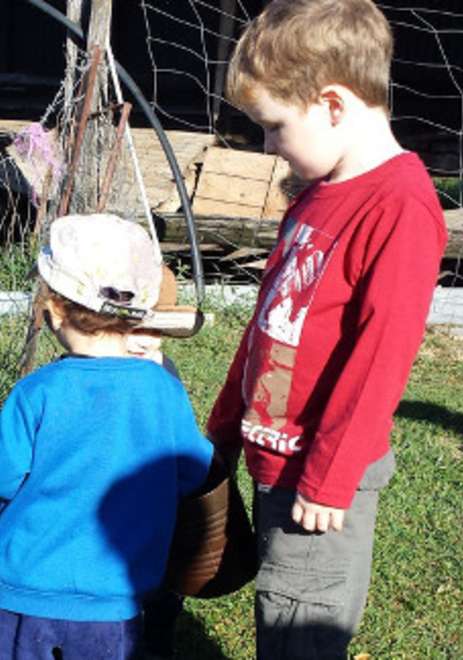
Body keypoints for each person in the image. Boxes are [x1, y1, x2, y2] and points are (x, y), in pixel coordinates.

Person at [205, 1, 448, 658]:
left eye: (275, 126)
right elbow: (269, 325)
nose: (267, 146)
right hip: (273, 456)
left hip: (318, 476)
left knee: (300, 622)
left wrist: (330, 477)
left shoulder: (398, 206)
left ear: (332, 105)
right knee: (278, 606)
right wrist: (226, 425)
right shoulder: (314, 195)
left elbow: (382, 356)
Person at [0, 213, 214, 660]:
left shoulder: (36, 389)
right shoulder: (164, 390)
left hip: (29, 588)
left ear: (55, 308)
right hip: (118, 593)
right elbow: (194, 470)